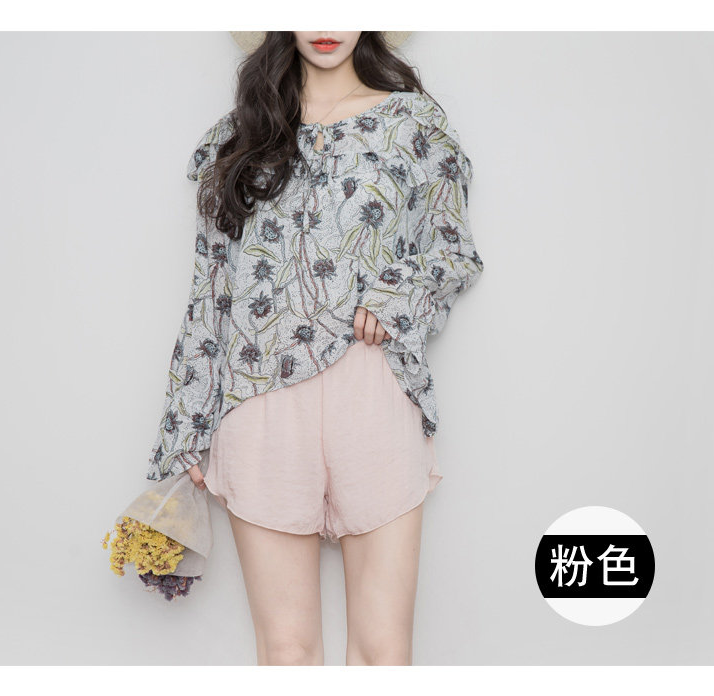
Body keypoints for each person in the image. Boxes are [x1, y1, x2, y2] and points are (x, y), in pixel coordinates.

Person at [147, 31, 484, 665]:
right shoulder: (242, 135)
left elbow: (453, 252)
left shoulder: (414, 123)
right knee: (287, 653)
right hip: (257, 401)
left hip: (372, 388)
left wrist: (396, 295)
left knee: (383, 654)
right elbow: (211, 290)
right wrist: (184, 431)